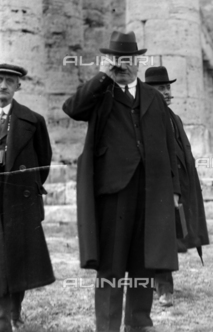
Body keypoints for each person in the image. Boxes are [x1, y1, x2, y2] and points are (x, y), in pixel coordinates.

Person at [63, 31, 181, 332]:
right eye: (117, 60)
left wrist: (175, 189)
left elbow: (169, 147)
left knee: (146, 260)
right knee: (112, 265)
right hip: (113, 192)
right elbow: (72, 108)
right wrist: (103, 75)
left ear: (138, 62)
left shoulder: (154, 98)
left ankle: (139, 322)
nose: (123, 65)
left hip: (151, 191)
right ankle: (108, 325)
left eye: (129, 60)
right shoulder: (100, 94)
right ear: (109, 61)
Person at [144, 66, 210, 307]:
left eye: (168, 87)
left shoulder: (174, 118)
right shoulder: (146, 120)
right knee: (163, 239)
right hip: (159, 191)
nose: (166, 92)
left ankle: (156, 282)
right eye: (160, 88)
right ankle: (163, 288)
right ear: (148, 92)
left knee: (174, 237)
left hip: (179, 188)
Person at [0, 64, 54, 332]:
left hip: (19, 200)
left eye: (9, 81)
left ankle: (15, 310)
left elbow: (43, 162)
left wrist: (27, 189)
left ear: (18, 87)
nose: (2, 86)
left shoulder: (33, 120)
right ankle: (3, 316)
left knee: (18, 260)